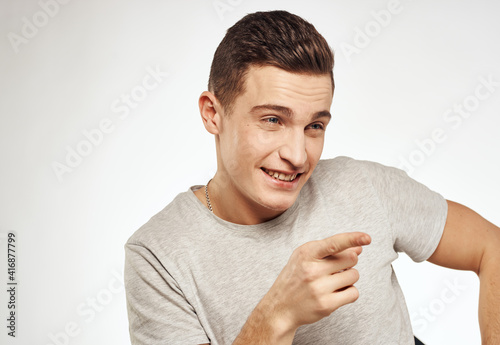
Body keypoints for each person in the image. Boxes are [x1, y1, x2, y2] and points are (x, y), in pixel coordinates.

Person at [124, 10, 500, 345]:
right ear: (212, 113)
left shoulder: (364, 185)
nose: (298, 155)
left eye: (315, 125)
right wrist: (277, 316)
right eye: (273, 120)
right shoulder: (158, 257)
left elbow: (491, 247)